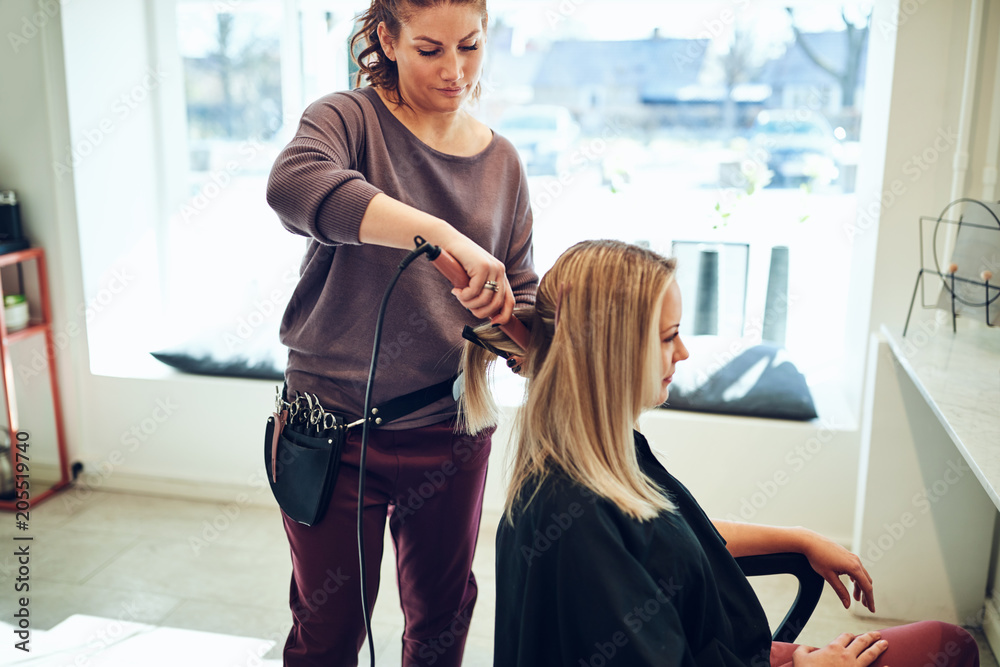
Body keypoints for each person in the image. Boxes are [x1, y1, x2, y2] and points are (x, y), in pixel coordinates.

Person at [458, 240, 979, 667]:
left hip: (731, 649)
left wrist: (799, 538)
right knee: (947, 646)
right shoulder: (579, 520)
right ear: (613, 351)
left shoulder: (604, 453)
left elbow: (679, 536)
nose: (683, 353)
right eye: (669, 337)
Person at [265, 0, 537, 664]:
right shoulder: (348, 119)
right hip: (329, 432)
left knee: (441, 624)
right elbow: (293, 186)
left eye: (469, 47)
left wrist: (501, 311)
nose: (454, 70)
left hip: (449, 435)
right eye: (429, 49)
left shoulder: (503, 163)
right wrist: (441, 237)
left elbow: (526, 327)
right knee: (327, 632)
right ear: (386, 37)